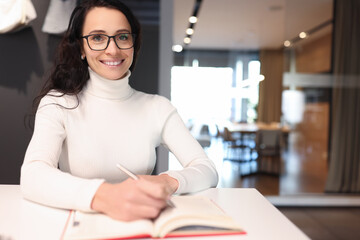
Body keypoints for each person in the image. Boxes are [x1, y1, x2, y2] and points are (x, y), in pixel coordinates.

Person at [20, 0, 218, 221]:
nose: (112, 50)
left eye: (122, 37)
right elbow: (32, 176)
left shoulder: (158, 108)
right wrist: (107, 196)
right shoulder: (58, 104)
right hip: (80, 225)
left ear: (133, 44)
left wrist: (168, 181)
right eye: (97, 38)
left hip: (142, 224)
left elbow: (207, 169)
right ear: (82, 49)